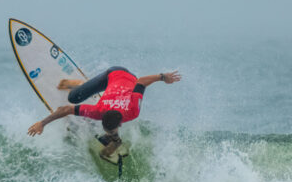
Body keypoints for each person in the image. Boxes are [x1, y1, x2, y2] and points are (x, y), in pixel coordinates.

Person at [27, 66, 181, 157]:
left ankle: (115, 141)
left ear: (120, 124)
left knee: (84, 112)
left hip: (126, 78)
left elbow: (140, 81)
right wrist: (42, 123)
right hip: (112, 76)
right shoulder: (99, 111)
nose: (110, 131)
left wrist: (162, 77)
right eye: (110, 131)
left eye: (110, 131)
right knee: (73, 98)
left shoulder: (132, 109)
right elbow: (65, 109)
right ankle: (77, 84)